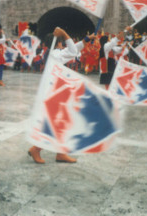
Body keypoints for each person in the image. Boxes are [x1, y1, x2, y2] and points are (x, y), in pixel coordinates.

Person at [28, 27, 96, 164]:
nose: (63, 43)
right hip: (55, 93)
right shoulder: (55, 54)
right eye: (62, 41)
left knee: (62, 123)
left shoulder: (52, 53)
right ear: (58, 43)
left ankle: (60, 153)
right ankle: (37, 148)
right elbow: (72, 51)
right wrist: (65, 33)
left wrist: (87, 40)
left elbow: (73, 48)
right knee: (58, 123)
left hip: (55, 92)